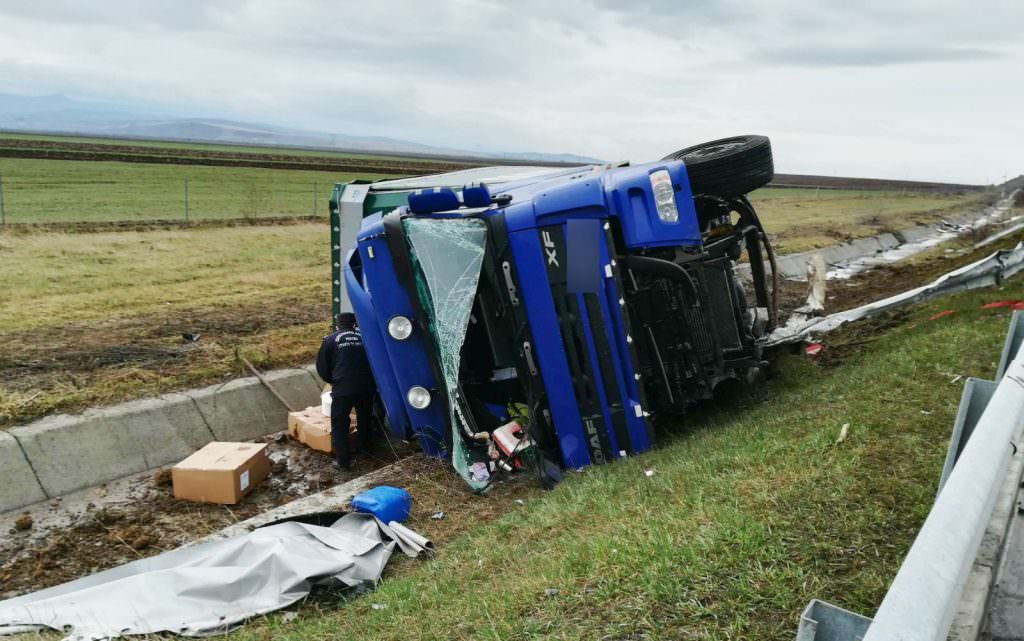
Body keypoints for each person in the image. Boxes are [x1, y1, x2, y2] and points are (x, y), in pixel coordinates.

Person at [315, 312, 376, 470]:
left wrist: (334, 380)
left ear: (337, 326)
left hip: (343, 387)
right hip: (366, 386)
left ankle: (343, 462)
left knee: (340, 423)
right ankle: (366, 449)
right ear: (355, 325)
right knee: (365, 418)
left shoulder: (330, 340)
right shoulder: (366, 338)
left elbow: (322, 367)